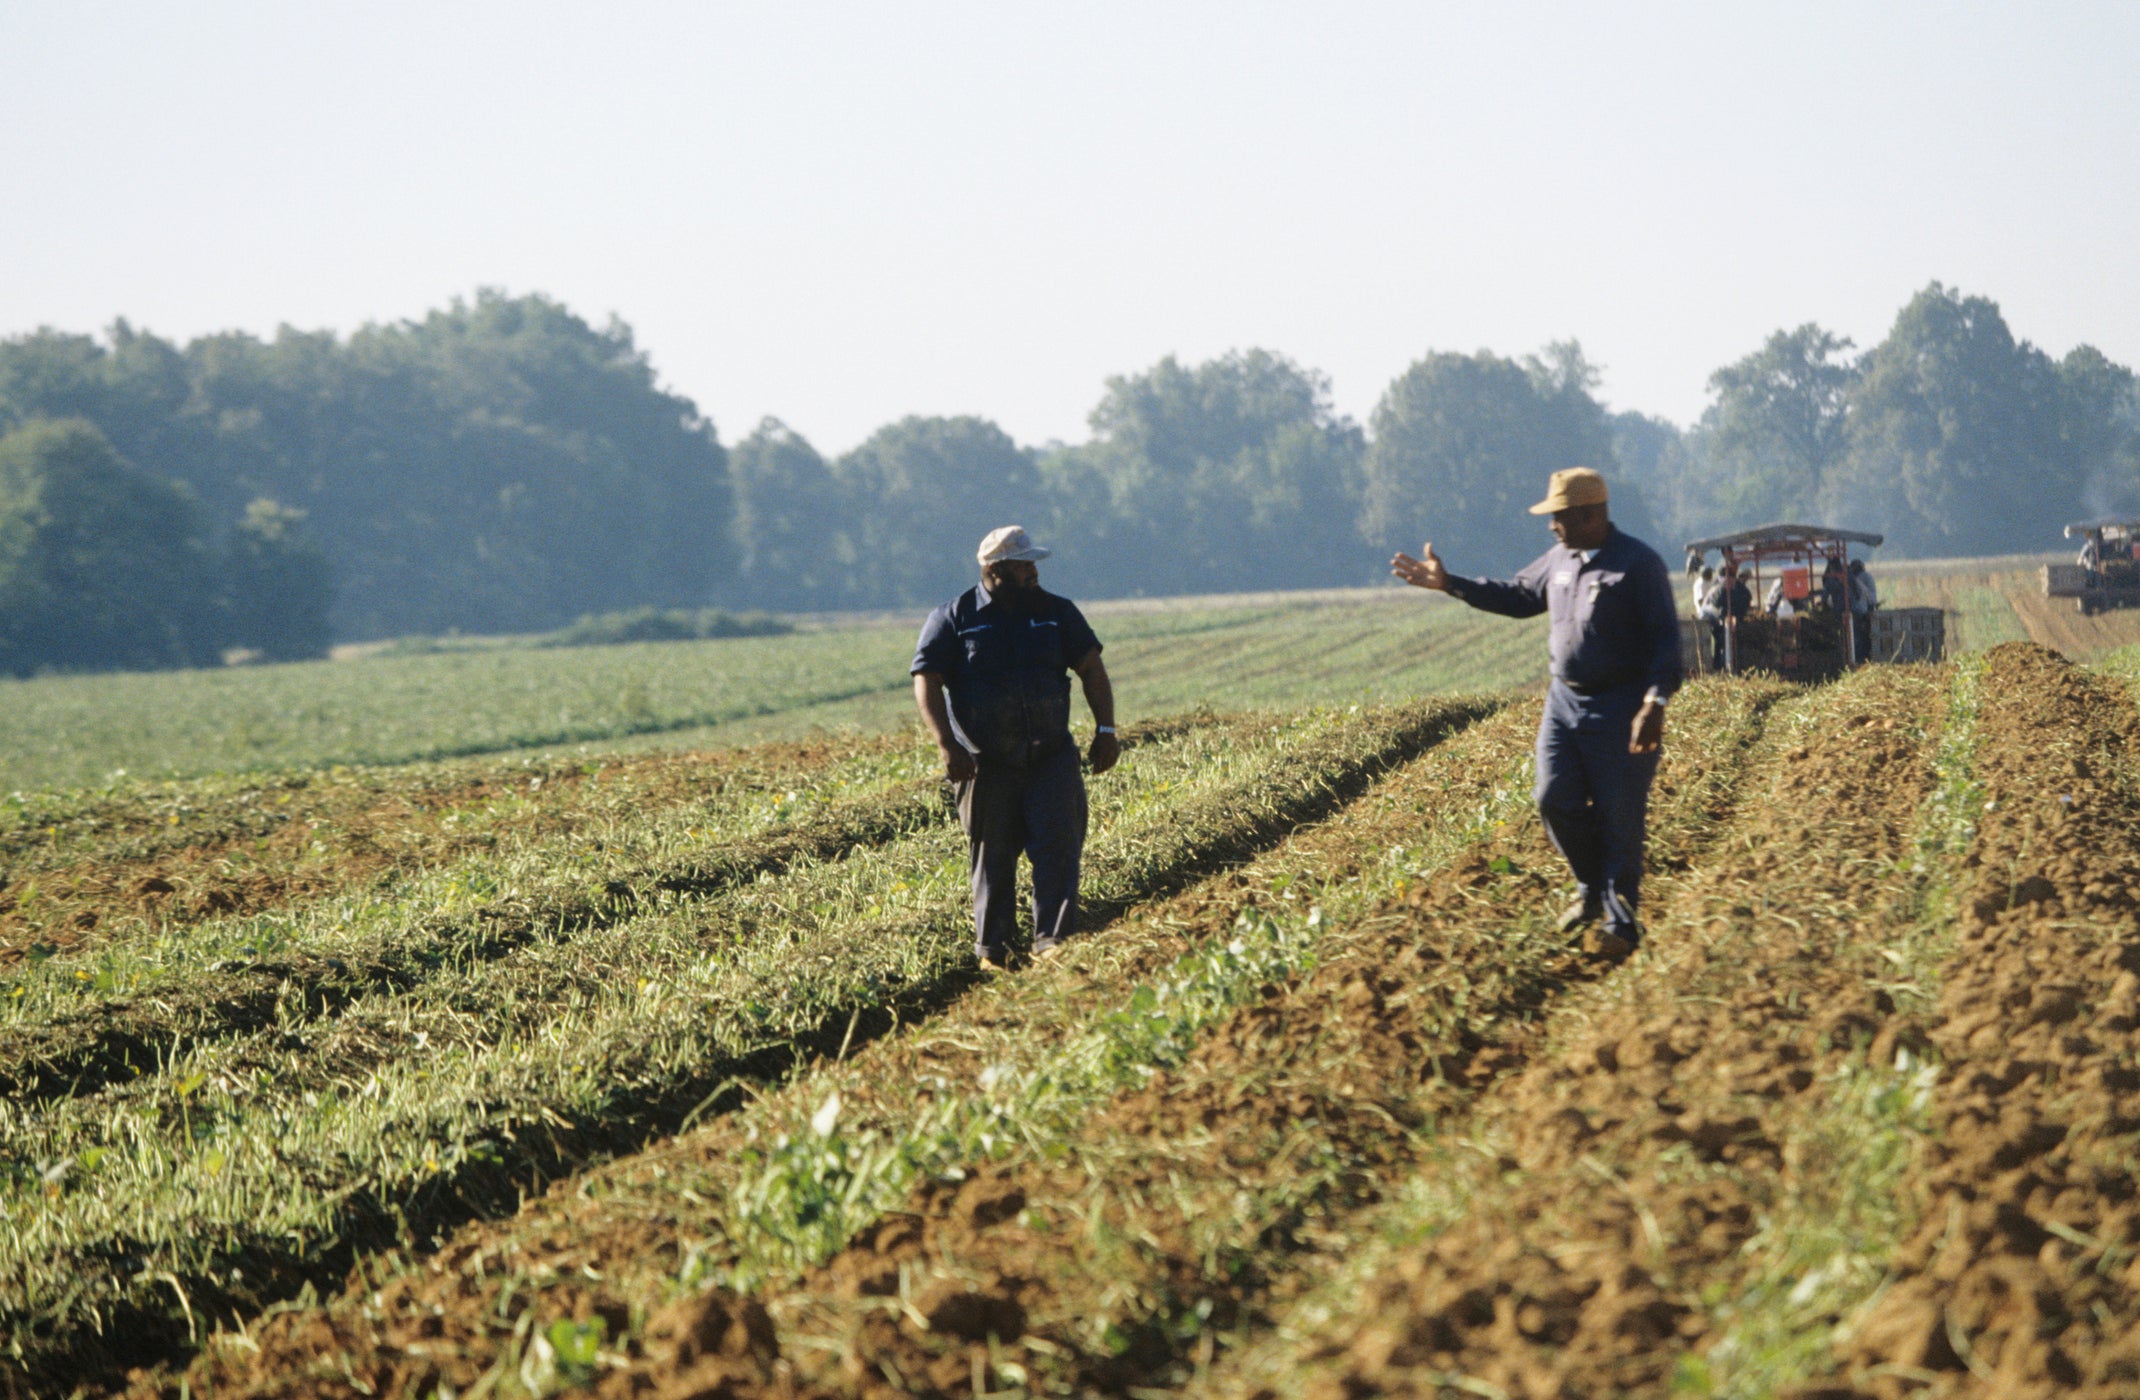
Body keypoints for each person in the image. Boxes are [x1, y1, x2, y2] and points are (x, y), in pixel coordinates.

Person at [1391, 467, 1681, 961]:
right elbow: (1518, 596)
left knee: (1619, 819)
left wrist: (1655, 702)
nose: (1551, 526)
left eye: (1559, 517)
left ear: (1590, 516)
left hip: (1622, 705)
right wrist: (1451, 584)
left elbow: (1667, 643)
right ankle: (1591, 888)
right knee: (1553, 796)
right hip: (1563, 702)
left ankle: (1621, 926)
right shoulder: (1560, 559)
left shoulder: (1637, 565)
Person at [912, 526, 1118, 971]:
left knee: (1059, 848)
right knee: (991, 858)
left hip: (1051, 757)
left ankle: (1054, 943)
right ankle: (996, 954)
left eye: (1033, 563)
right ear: (995, 570)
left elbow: (1092, 669)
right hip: (985, 764)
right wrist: (947, 744)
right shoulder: (954, 617)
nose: (1033, 572)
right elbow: (926, 680)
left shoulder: (1056, 612)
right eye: (1023, 565)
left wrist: (1106, 729)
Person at [1848, 559, 1877, 662]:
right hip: (1868, 608)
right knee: (1865, 635)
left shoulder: (1859, 578)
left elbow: (1863, 594)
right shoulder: (1867, 576)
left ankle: (1860, 658)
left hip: (1861, 611)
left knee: (1859, 636)